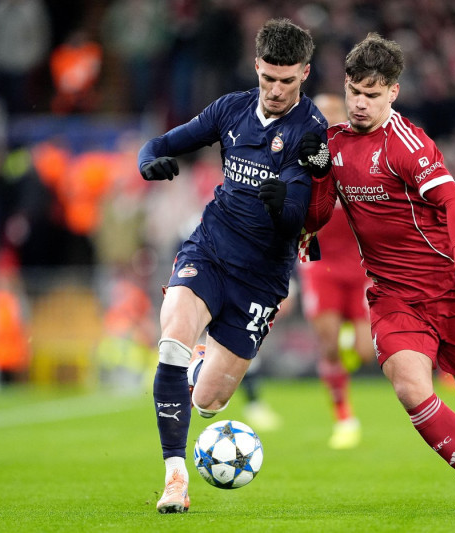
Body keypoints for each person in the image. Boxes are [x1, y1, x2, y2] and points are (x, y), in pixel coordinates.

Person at [299, 33, 455, 512]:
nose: (360, 103)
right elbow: (315, 219)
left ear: (393, 93)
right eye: (355, 91)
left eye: (372, 95)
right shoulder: (332, 144)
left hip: (449, 289)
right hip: (393, 296)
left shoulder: (407, 145)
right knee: (409, 385)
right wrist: (316, 175)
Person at [137, 18, 326, 514]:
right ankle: (175, 477)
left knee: (208, 402)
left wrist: (284, 203)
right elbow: (160, 144)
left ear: (304, 73)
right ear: (257, 66)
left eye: (288, 81)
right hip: (209, 250)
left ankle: (201, 370)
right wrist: (148, 161)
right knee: (172, 340)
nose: (277, 90)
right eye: (269, 78)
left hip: (261, 278)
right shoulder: (231, 109)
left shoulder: (312, 133)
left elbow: (302, 222)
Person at [299, 93, 374, 449]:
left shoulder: (358, 154)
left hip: (359, 264)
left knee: (365, 351)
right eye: (321, 114)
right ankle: (344, 416)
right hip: (320, 262)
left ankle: (348, 341)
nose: (326, 120)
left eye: (333, 114)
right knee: (327, 342)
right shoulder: (300, 156)